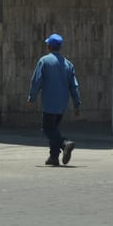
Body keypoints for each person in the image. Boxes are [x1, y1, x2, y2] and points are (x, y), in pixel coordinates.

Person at [27, 33, 81, 166]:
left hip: (49, 103)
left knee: (47, 128)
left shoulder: (44, 61)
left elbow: (36, 81)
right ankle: (54, 157)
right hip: (62, 104)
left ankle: (64, 143)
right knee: (54, 128)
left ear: (49, 46)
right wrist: (77, 104)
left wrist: (31, 97)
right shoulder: (68, 64)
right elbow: (74, 85)